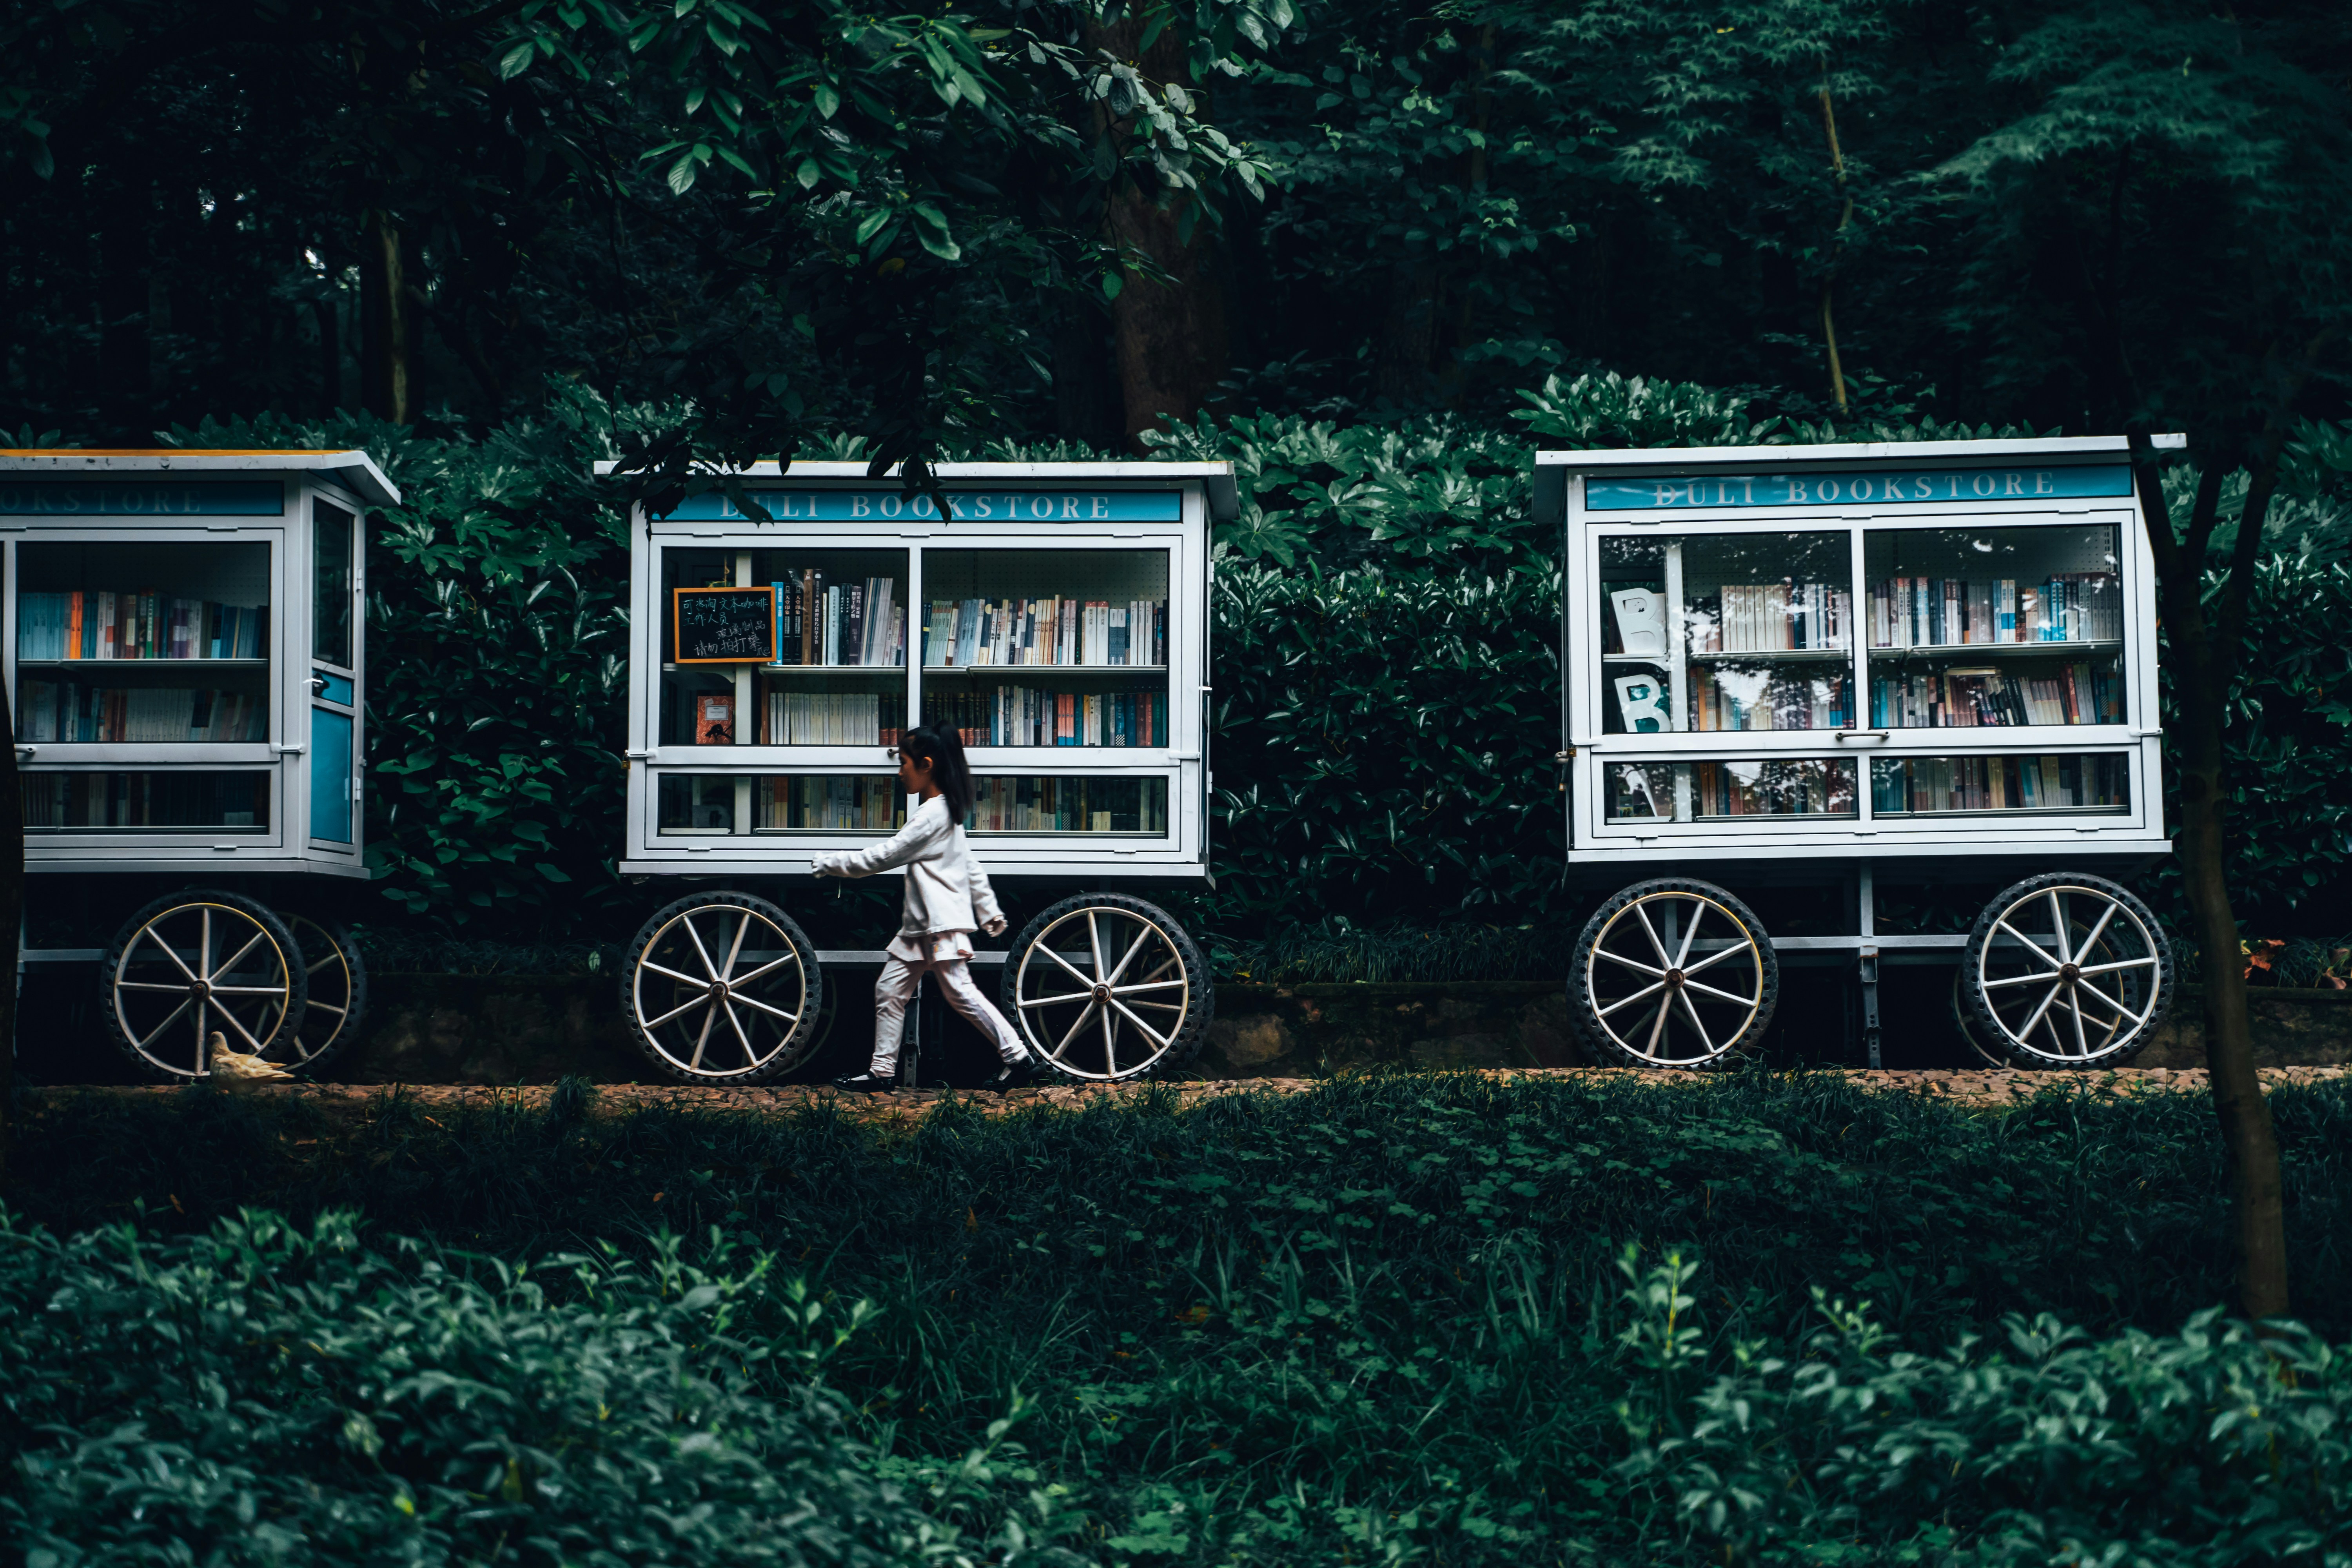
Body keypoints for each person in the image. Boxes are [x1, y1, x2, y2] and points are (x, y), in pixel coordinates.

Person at [815, 724, 1037, 1093]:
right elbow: (970, 867)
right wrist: (989, 913)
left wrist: (829, 863)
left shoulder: (934, 814)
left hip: (937, 926)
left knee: (960, 994)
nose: (899, 770)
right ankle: (882, 1073)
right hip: (923, 926)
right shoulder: (944, 810)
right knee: (890, 991)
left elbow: (885, 856)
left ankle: (1018, 1058)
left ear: (927, 765)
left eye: (904, 763)